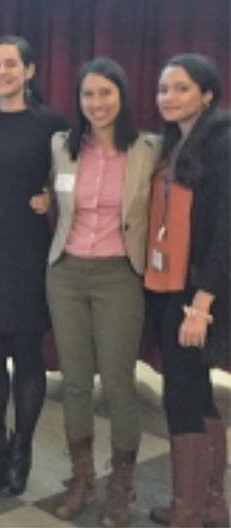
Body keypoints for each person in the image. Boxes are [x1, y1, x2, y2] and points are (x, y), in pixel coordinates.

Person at [46, 58, 160, 526]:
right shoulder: (62, 146)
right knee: (74, 381)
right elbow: (48, 191)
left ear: (123, 97)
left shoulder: (149, 149)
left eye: (106, 94)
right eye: (88, 95)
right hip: (66, 272)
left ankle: (122, 485)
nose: (97, 103)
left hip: (120, 273)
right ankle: (82, 478)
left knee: (117, 386)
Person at [0, 35, 68, 495]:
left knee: (27, 352)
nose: (0, 73)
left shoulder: (51, 123)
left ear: (29, 71)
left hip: (26, 250)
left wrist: (52, 202)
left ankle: (21, 450)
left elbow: (71, 180)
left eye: (9, 65)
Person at [144, 53, 229, 528]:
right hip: (168, 283)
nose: (168, 97)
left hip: (196, 292)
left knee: (180, 395)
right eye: (163, 89)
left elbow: (225, 233)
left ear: (208, 94)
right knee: (195, 392)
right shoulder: (175, 144)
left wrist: (202, 303)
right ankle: (211, 504)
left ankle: (188, 510)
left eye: (181, 88)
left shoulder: (222, 144)